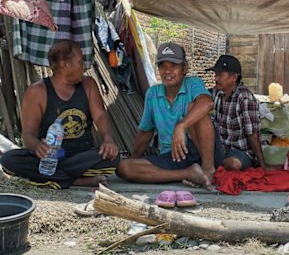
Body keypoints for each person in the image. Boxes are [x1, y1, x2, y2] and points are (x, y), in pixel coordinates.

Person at [0, 40, 119, 189]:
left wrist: (108, 139)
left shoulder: (89, 84)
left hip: (81, 155)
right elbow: (28, 134)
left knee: (112, 158)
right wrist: (38, 147)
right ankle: (76, 180)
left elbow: (100, 116)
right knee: (9, 160)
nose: (84, 65)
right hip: (48, 157)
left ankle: (55, 178)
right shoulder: (37, 91)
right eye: (80, 61)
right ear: (64, 64)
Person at [116, 43, 222, 189]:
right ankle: (187, 173)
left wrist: (181, 126)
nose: (167, 71)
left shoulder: (193, 83)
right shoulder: (152, 94)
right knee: (123, 168)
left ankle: (208, 170)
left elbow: (207, 103)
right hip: (174, 156)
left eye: (173, 66)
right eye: (162, 66)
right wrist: (134, 160)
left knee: (195, 108)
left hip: (203, 151)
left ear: (185, 68)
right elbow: (146, 132)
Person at [207, 55, 266, 170]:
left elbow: (252, 134)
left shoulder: (244, 98)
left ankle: (213, 165)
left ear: (234, 77)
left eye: (220, 75)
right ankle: (213, 164)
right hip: (221, 148)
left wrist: (262, 164)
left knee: (234, 164)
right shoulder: (216, 93)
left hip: (241, 152)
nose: (216, 78)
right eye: (216, 74)